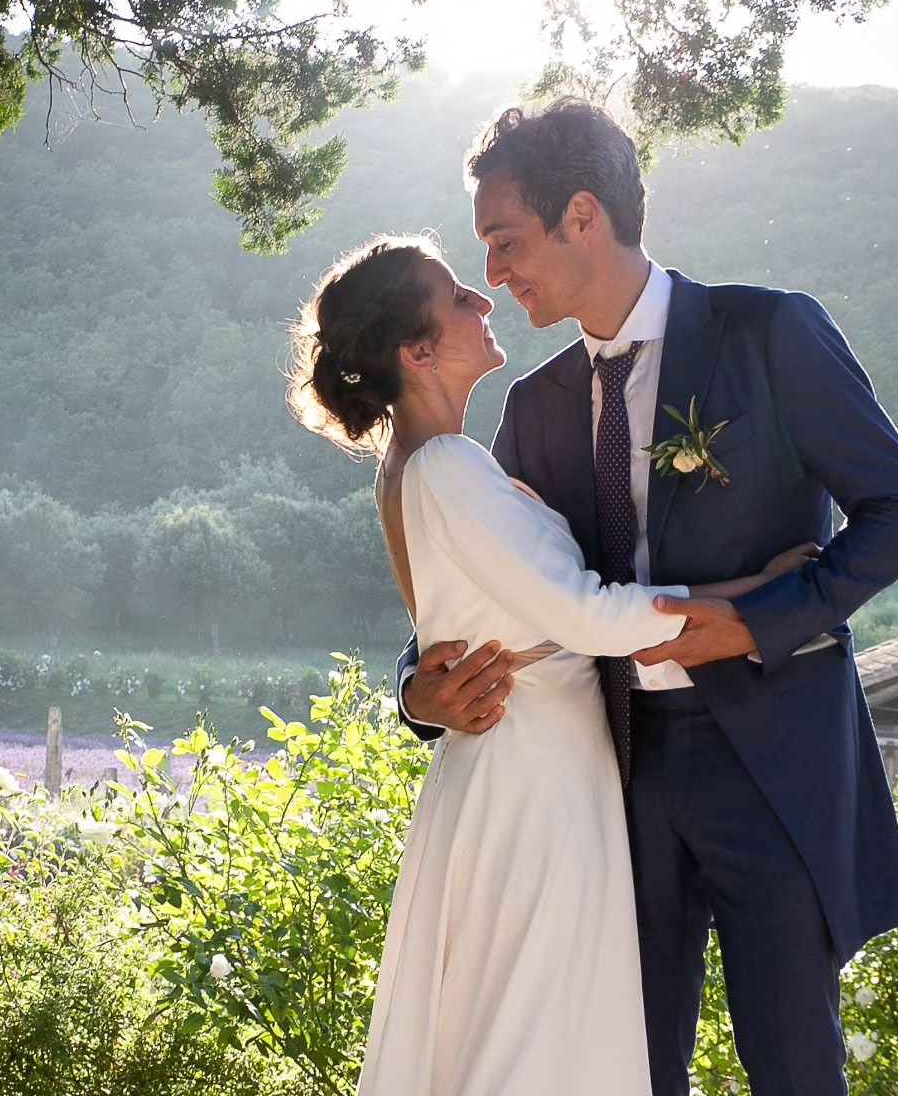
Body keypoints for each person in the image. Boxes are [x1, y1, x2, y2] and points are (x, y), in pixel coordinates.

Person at [397, 98, 898, 1096]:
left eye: (505, 241)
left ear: (583, 217)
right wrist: (417, 695)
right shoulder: (537, 406)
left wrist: (757, 621)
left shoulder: (770, 333)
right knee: (625, 1070)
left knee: (793, 1068)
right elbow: (497, 587)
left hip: (773, 762)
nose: (495, 276)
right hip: (613, 778)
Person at [288, 235, 814, 1096]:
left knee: (527, 1030)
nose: (484, 299)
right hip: (536, 773)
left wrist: (424, 689)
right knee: (529, 1039)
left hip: (527, 762)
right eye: (459, 296)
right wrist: (760, 593)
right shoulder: (449, 466)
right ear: (416, 352)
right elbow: (581, 613)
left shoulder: (434, 465)